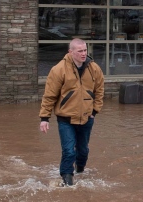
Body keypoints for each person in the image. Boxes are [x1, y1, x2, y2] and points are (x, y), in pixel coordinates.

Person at [39, 38, 105, 186]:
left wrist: (95, 110)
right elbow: (49, 95)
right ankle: (67, 181)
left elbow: (100, 90)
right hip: (65, 119)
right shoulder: (58, 69)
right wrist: (44, 118)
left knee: (83, 152)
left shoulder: (94, 68)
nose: (83, 54)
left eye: (85, 50)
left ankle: (80, 172)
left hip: (87, 118)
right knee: (69, 151)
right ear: (71, 52)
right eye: (80, 51)